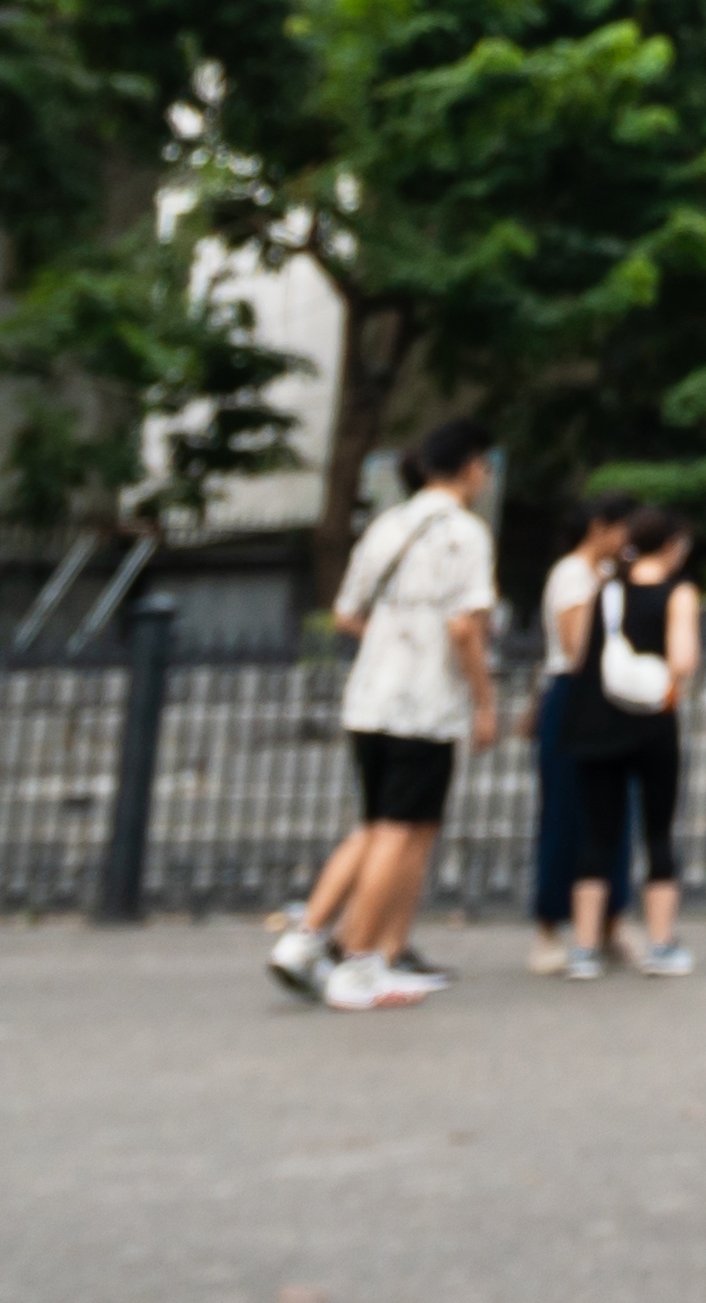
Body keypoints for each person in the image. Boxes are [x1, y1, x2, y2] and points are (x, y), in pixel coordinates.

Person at [273, 418, 499, 1014]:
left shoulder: (387, 525)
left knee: (378, 824)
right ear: (474, 467)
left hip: (371, 693)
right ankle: (360, 962)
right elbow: (464, 628)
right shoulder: (465, 534)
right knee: (399, 832)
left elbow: (348, 612)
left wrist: (395, 637)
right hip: (425, 702)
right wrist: (485, 700)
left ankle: (308, 941)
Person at [563, 503, 703, 978]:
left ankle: (583, 948)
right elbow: (683, 659)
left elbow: (578, 654)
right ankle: (661, 943)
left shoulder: (604, 589)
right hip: (653, 722)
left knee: (597, 835)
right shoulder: (677, 593)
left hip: (598, 721)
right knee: (657, 830)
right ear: (670, 546)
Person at [528, 502, 626, 965]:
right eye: (621, 528)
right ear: (599, 527)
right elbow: (575, 646)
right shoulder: (573, 574)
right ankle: (549, 926)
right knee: (566, 810)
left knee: (614, 811)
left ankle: (611, 919)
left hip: (609, 694)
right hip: (575, 692)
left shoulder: (608, 572)